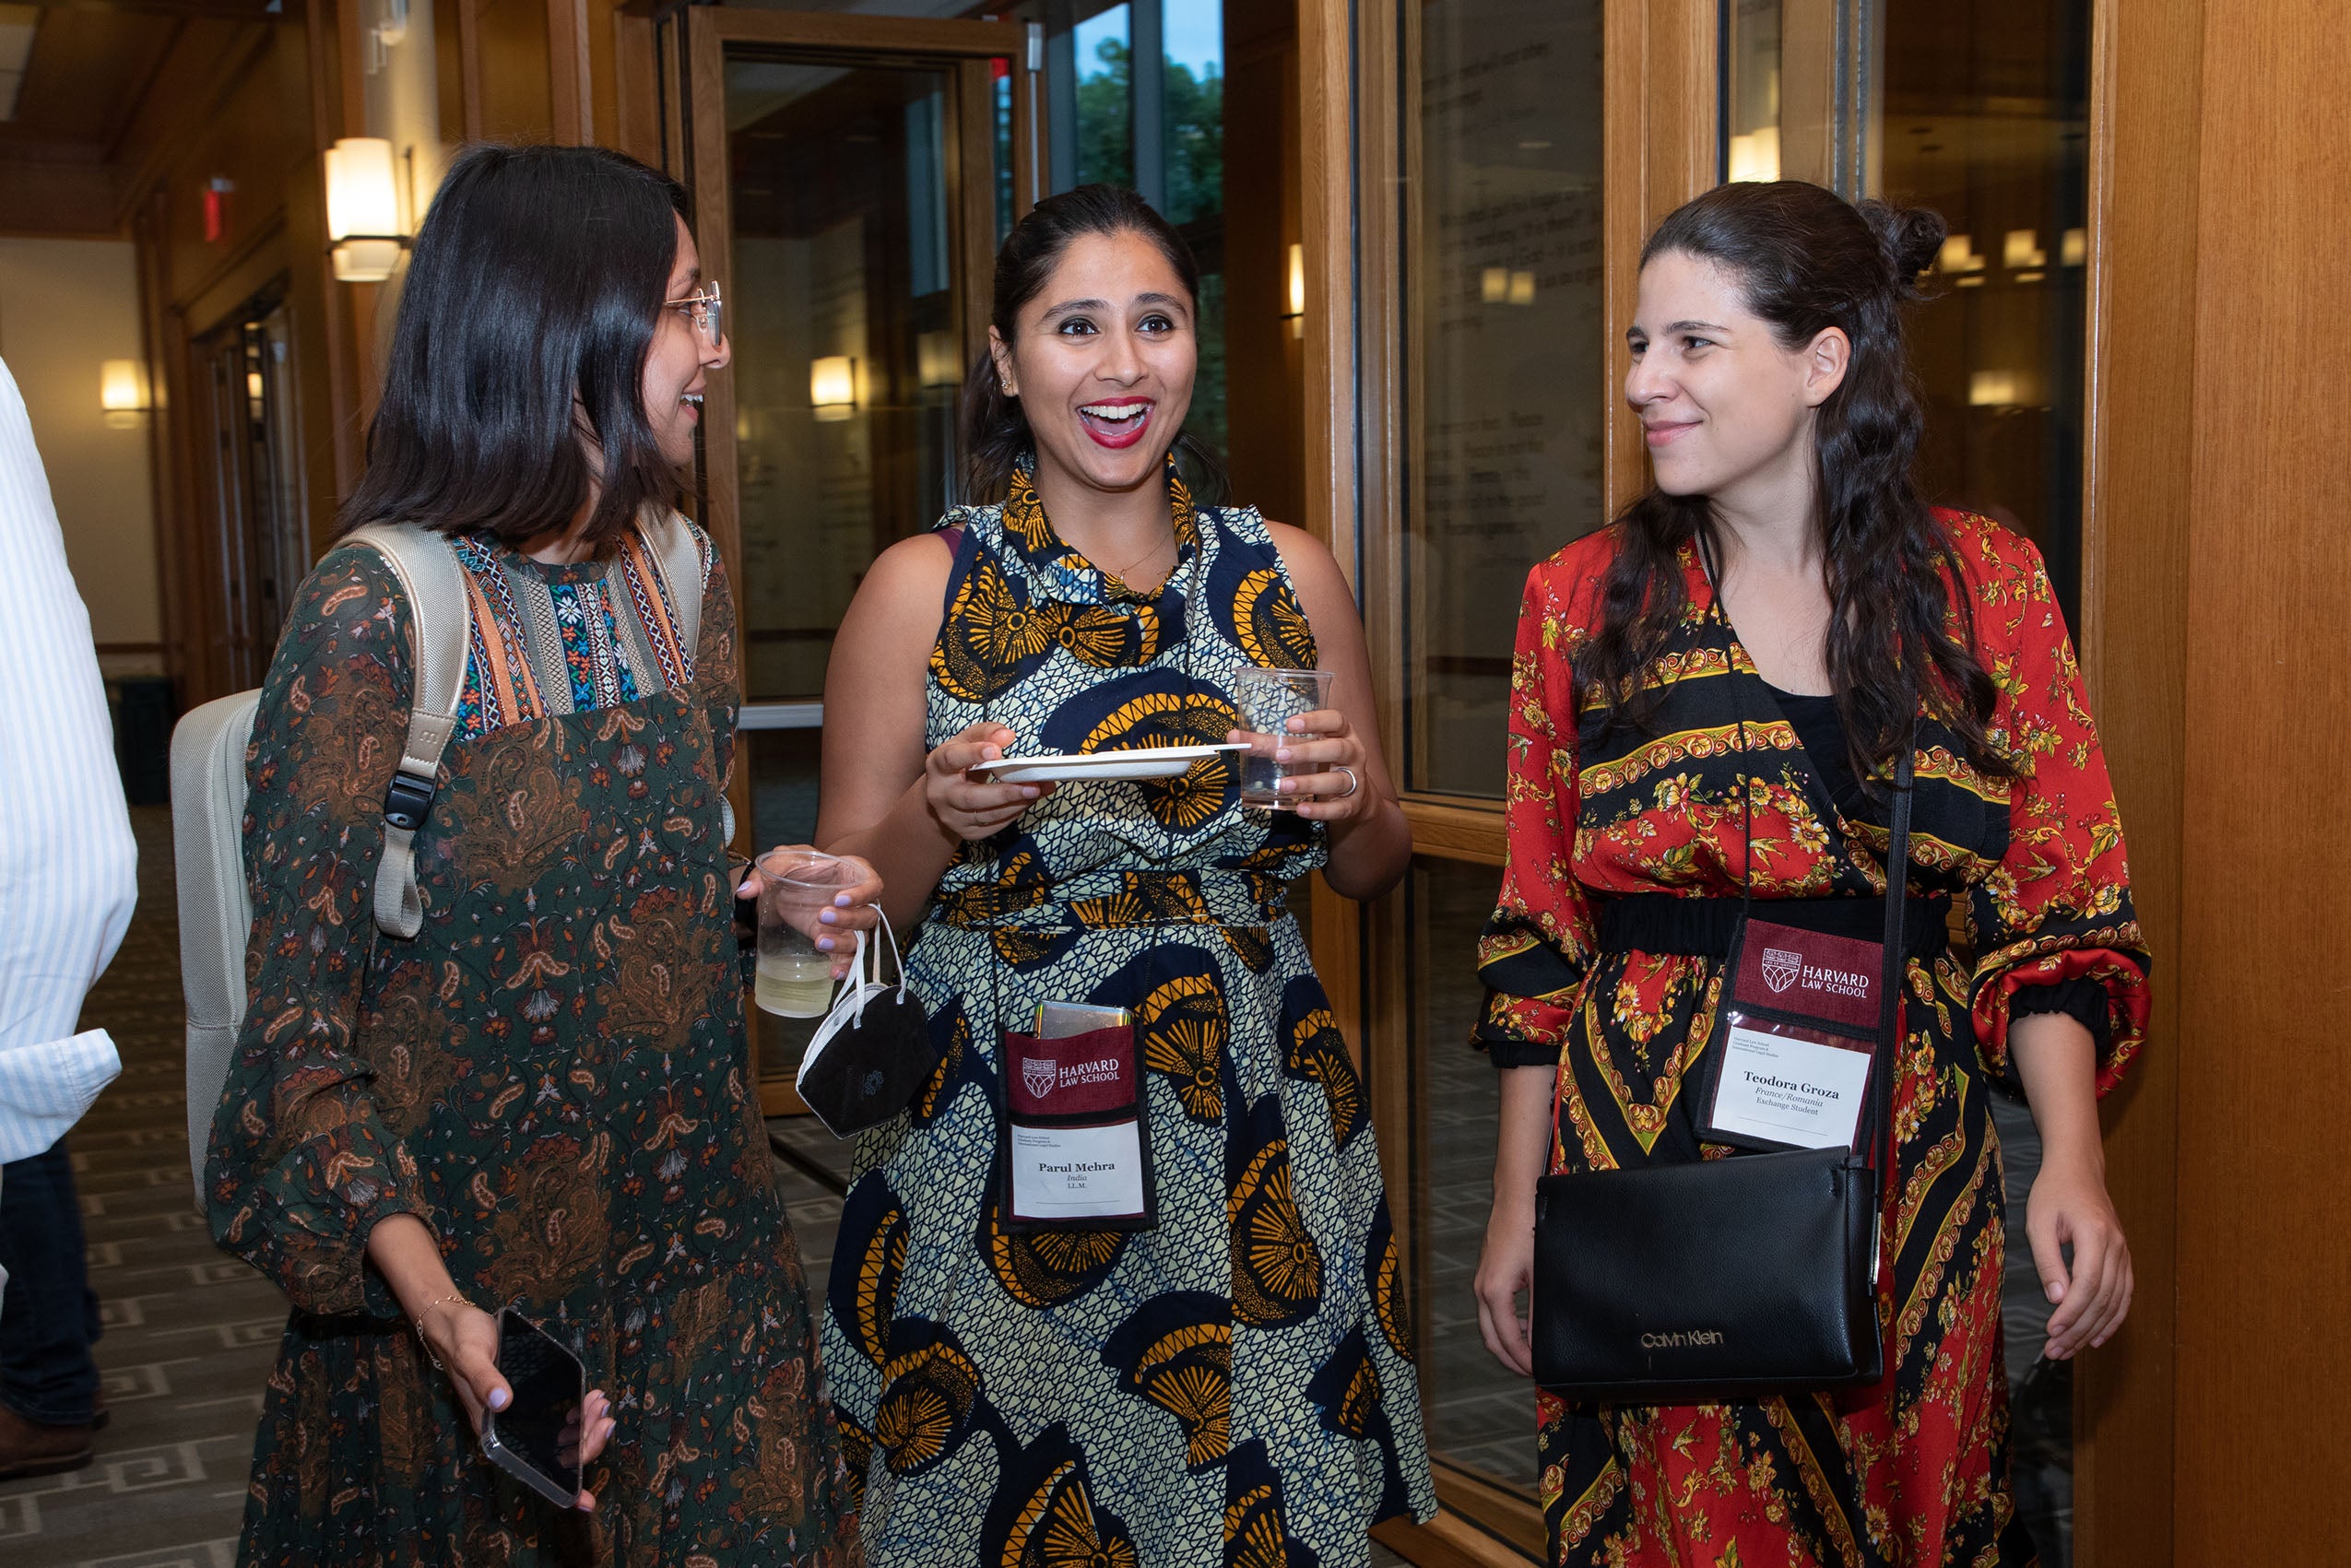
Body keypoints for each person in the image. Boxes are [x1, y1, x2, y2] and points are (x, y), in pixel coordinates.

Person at [205, 145, 871, 1565]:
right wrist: (442, 1312)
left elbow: (662, 917)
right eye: (690, 304)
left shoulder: (680, 574)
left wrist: (770, 908)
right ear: (572, 325)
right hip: (482, 1324)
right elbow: (298, 1052)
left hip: (708, 1281)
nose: (719, 346)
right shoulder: (373, 615)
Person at [1470, 180, 2148, 1564]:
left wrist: (2070, 1160)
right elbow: (1538, 934)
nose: (1643, 382)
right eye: (1636, 345)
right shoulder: (1580, 599)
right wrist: (1513, 1208)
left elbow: (2057, 909)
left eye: (1690, 345)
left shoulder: (1983, 589)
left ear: (1822, 359)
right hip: (1646, 1159)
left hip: (1905, 1155)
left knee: (1921, 1499)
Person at [814, 183, 1437, 1564]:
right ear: (1002, 355)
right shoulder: (923, 587)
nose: (1118, 367)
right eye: (1072, 326)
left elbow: (1374, 866)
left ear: (1195, 343)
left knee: (1260, 1510)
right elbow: (846, 897)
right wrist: (936, 810)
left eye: (1152, 322)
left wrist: (1352, 803)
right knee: (1020, 1502)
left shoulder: (1286, 572)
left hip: (1254, 1117)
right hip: (1001, 1123)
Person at [0, 355, 136, 1480]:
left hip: (32, 850)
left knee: (14, 1110)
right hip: (47, 850)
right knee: (17, 1111)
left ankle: (49, 1381)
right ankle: (56, 1357)